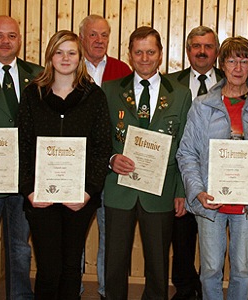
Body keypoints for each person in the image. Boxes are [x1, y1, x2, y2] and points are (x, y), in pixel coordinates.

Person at [177, 36, 248, 300]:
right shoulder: (202, 105)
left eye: (244, 60)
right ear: (222, 65)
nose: (238, 67)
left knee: (242, 269)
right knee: (211, 268)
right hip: (210, 200)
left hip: (247, 201)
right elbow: (187, 152)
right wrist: (197, 191)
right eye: (232, 60)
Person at [18, 30, 112, 300]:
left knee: (71, 267)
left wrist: (88, 191)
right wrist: (29, 190)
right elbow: (23, 145)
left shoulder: (93, 96)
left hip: (79, 198)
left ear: (80, 57)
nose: (65, 58)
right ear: (50, 57)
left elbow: (102, 147)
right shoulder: (32, 94)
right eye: (59, 52)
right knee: (48, 269)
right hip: (40, 197)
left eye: (71, 52)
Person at [102, 26, 192, 300]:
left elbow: (184, 148)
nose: (144, 58)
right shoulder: (109, 90)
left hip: (161, 190)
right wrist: (111, 158)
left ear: (160, 54)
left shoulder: (180, 93)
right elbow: (99, 138)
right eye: (138, 52)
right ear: (129, 54)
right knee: (114, 261)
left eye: (150, 52)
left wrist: (180, 191)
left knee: (158, 262)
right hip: (119, 188)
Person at [0, 15, 42, 300]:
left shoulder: (40, 75)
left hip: (25, 177)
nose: (5, 41)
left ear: (20, 40)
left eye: (12, 36)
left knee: (20, 249)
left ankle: (20, 297)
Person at [165, 25, 223, 300]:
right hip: (183, 174)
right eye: (196, 46)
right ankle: (185, 289)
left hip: (222, 176)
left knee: (215, 240)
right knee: (183, 236)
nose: (202, 51)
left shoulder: (233, 81)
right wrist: (179, 185)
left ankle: (207, 287)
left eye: (208, 46)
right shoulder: (169, 85)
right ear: (188, 51)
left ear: (217, 52)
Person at [79, 14, 132, 299]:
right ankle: (72, 288)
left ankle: (105, 291)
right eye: (93, 35)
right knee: (73, 235)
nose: (99, 41)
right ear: (82, 38)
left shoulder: (122, 70)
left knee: (110, 236)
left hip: (112, 169)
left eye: (104, 35)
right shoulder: (69, 65)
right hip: (75, 168)